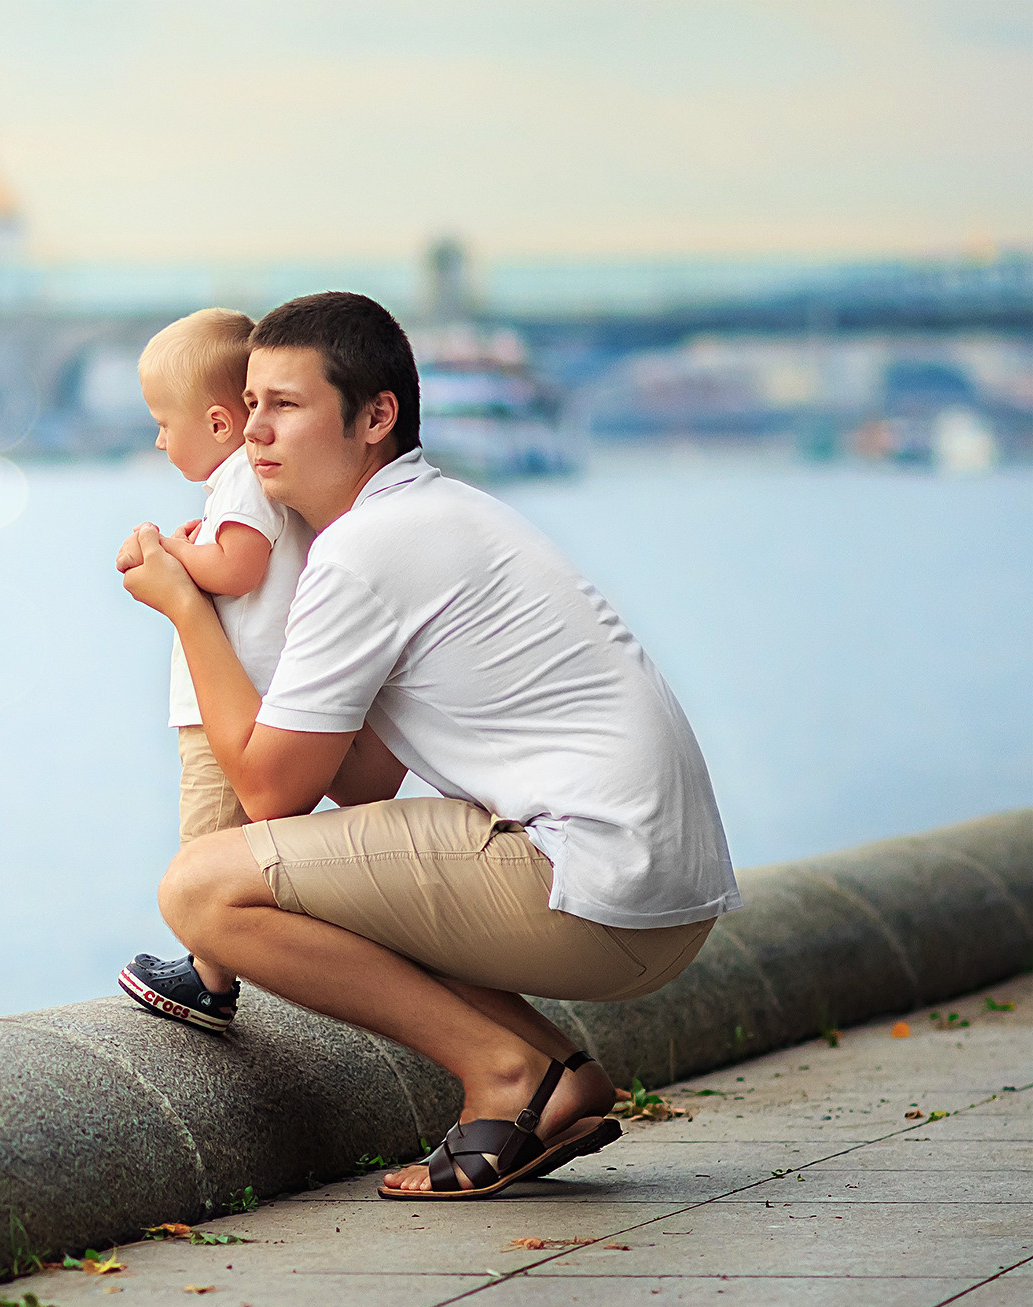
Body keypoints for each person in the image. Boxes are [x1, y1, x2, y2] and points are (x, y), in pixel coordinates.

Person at [114, 292, 738, 1201]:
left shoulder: (370, 546)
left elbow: (270, 795)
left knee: (201, 887)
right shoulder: (423, 516)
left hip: (599, 883)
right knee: (306, 870)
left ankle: (504, 1073)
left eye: (285, 404)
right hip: (649, 885)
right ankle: (558, 1074)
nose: (253, 431)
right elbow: (366, 779)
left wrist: (185, 604)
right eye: (247, 404)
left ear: (376, 417)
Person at [115, 309, 313, 1034]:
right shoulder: (247, 484)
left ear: (220, 423)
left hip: (225, 707)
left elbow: (238, 567)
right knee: (242, 844)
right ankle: (222, 965)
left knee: (206, 841)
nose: (160, 440)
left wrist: (168, 554)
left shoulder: (241, 483)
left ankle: (208, 978)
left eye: (164, 424)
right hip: (254, 698)